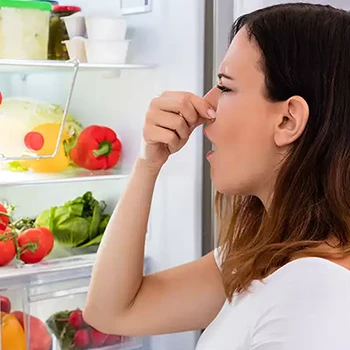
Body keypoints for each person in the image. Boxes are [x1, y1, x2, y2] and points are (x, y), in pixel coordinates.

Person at [84, 3, 350, 349]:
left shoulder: (313, 290)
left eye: (225, 88)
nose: (205, 111)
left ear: (288, 121)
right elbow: (112, 311)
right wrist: (148, 163)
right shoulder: (268, 256)